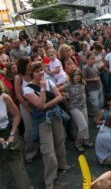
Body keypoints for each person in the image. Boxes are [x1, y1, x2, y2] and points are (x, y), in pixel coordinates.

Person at [23, 61, 70, 189]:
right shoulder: (27, 88)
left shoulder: (49, 81)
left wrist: (47, 106)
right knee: (48, 151)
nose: (41, 73)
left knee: (60, 141)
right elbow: (38, 104)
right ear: (32, 73)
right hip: (43, 121)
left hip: (55, 116)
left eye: (41, 70)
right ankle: (50, 180)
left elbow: (59, 97)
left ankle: (62, 164)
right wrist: (43, 89)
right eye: (37, 71)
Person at [0, 83, 33, 189]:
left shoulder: (4, 97)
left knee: (17, 166)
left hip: (6, 133)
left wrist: (12, 134)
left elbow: (17, 114)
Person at [59, 68, 94, 153]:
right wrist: (64, 95)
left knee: (86, 124)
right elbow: (57, 90)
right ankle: (77, 142)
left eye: (79, 74)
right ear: (72, 76)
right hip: (74, 108)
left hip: (83, 106)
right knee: (83, 126)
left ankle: (85, 141)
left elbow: (84, 94)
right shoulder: (69, 85)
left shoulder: (83, 83)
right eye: (75, 75)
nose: (77, 77)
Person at [82, 52, 104, 117]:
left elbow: (97, 74)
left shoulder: (94, 66)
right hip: (92, 89)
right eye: (91, 58)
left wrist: (98, 77)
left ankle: (100, 117)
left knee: (101, 103)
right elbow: (83, 79)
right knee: (96, 105)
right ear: (87, 59)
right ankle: (96, 118)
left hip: (99, 86)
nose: (93, 60)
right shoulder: (85, 68)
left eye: (94, 58)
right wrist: (93, 80)